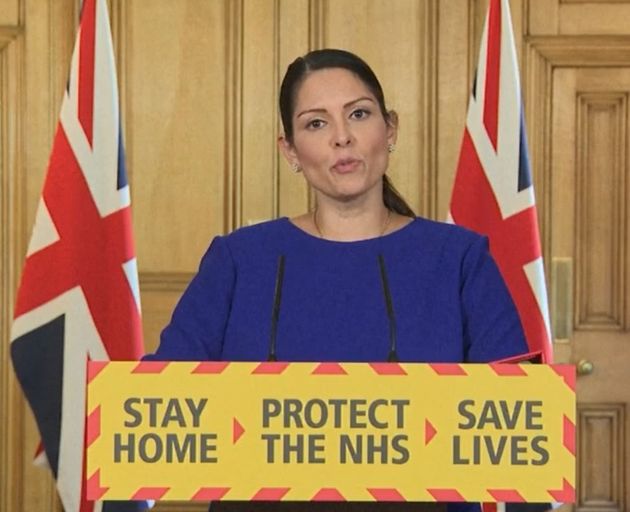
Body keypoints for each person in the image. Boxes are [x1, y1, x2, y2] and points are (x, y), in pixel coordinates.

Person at [144, 49, 531, 511]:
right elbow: (153, 414)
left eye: (359, 115)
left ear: (390, 130)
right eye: (316, 123)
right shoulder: (239, 260)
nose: (342, 138)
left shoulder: (460, 260)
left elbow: (520, 433)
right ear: (289, 150)